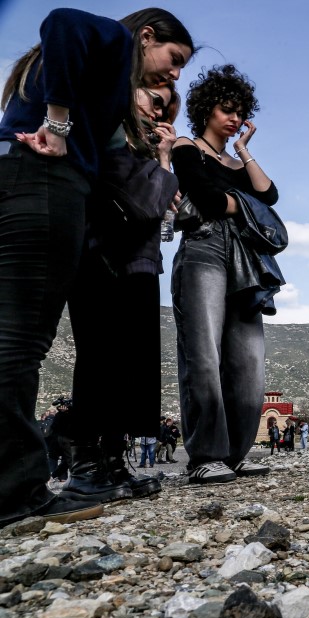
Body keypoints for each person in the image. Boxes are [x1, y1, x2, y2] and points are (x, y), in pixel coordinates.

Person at [0, 7, 193, 525]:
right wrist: (57, 123)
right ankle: (17, 493)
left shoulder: (93, 81)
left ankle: (19, 488)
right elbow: (63, 21)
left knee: (18, 339)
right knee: (21, 342)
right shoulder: (113, 41)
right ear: (147, 36)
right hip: (44, 182)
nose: (175, 73)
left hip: (27, 177)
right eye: (175, 58)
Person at [62, 78, 184, 503]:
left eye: (166, 110)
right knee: (99, 356)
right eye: (156, 100)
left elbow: (164, 218)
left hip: (140, 264)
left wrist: (162, 160)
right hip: (101, 255)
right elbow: (149, 205)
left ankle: (113, 462)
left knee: (131, 363)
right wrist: (162, 167)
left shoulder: (144, 156)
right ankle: (85, 467)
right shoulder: (109, 136)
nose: (158, 112)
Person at [171, 64, 277, 484]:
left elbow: (270, 195)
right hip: (204, 248)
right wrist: (248, 207)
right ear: (206, 109)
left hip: (244, 259)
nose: (234, 118)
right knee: (204, 354)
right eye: (226, 110)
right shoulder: (186, 147)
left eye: (240, 112)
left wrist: (244, 150)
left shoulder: (236, 162)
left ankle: (236, 453)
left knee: (249, 360)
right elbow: (208, 199)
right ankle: (205, 455)